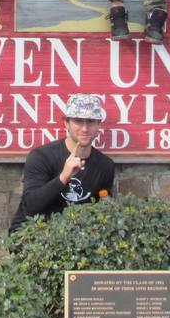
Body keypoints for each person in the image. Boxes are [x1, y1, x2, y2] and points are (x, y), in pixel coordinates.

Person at [9, 94, 116, 233]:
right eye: (78, 121)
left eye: (90, 121)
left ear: (98, 125)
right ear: (66, 123)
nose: (84, 128)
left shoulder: (105, 165)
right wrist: (63, 177)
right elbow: (30, 207)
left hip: (74, 239)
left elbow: (102, 210)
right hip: (32, 235)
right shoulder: (42, 156)